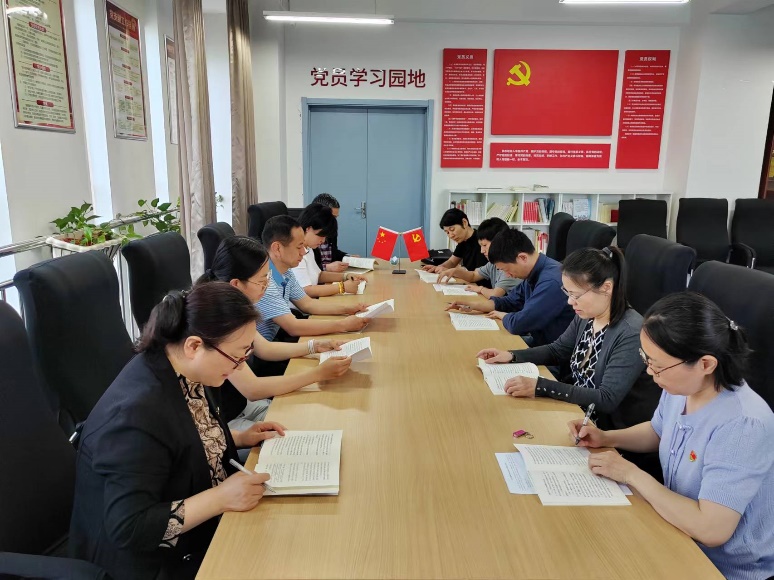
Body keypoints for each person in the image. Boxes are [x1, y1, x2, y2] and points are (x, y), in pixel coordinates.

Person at [69, 283, 287, 579]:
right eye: (237, 356)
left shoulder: (185, 369)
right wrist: (221, 498)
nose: (240, 365)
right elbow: (129, 527)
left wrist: (236, 437)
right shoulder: (136, 417)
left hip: (203, 516)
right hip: (153, 561)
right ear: (194, 346)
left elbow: (181, 438)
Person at [569, 292, 774, 580]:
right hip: (675, 529)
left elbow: (711, 530)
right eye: (646, 359)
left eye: (657, 365)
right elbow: (658, 431)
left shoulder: (742, 424)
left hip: (721, 567)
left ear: (706, 364)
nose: (649, 371)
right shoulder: (683, 387)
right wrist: (606, 438)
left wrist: (631, 474)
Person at [477, 247, 661, 436]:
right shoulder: (588, 315)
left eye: (576, 295)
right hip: (576, 416)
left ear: (606, 287)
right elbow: (558, 350)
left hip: (608, 433)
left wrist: (540, 386)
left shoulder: (631, 332)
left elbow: (606, 398)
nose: (570, 302)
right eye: (568, 293)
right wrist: (511, 356)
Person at [197, 236, 353, 429]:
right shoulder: (218, 320)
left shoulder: (238, 310)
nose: (268, 286)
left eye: (268, 277)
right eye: (262, 281)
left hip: (244, 405)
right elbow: (252, 388)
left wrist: (314, 346)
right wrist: (318, 374)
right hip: (225, 421)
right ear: (236, 284)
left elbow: (265, 348)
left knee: (316, 414)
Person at [446, 228, 573, 346]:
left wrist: (504, 316)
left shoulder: (551, 281)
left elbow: (520, 324)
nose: (507, 275)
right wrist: (473, 306)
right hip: (538, 341)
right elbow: (510, 301)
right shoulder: (533, 272)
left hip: (551, 351)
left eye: (506, 269)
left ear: (522, 258)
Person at [257, 214, 370, 341]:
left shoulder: (286, 272)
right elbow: (293, 327)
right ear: (277, 248)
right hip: (262, 348)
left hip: (276, 337)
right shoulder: (264, 282)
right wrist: (343, 325)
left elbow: (308, 304)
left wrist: (349, 309)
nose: (303, 252)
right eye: (299, 247)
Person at [292, 203, 368, 298]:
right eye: (321, 236)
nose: (323, 241)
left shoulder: (309, 248)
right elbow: (307, 290)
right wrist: (342, 287)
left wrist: (346, 276)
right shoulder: (296, 253)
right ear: (308, 229)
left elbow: (319, 275)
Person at [437, 217, 521, 298]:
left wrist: (480, 289)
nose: (482, 251)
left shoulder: (510, 267)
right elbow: (473, 275)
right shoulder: (492, 264)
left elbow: (495, 294)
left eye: (484, 245)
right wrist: (455, 271)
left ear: (499, 243)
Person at [422, 208, 487, 273]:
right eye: (447, 232)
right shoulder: (463, 241)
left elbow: (478, 274)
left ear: (464, 223)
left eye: (452, 229)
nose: (451, 236)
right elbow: (452, 262)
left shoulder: (482, 242)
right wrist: (438, 267)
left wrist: (451, 271)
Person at [311, 192, 349, 272]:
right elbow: (307, 269)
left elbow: (333, 252)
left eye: (335, 217)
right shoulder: (305, 235)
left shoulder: (332, 230)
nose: (334, 221)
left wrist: (347, 257)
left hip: (330, 274)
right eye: (332, 217)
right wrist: (327, 267)